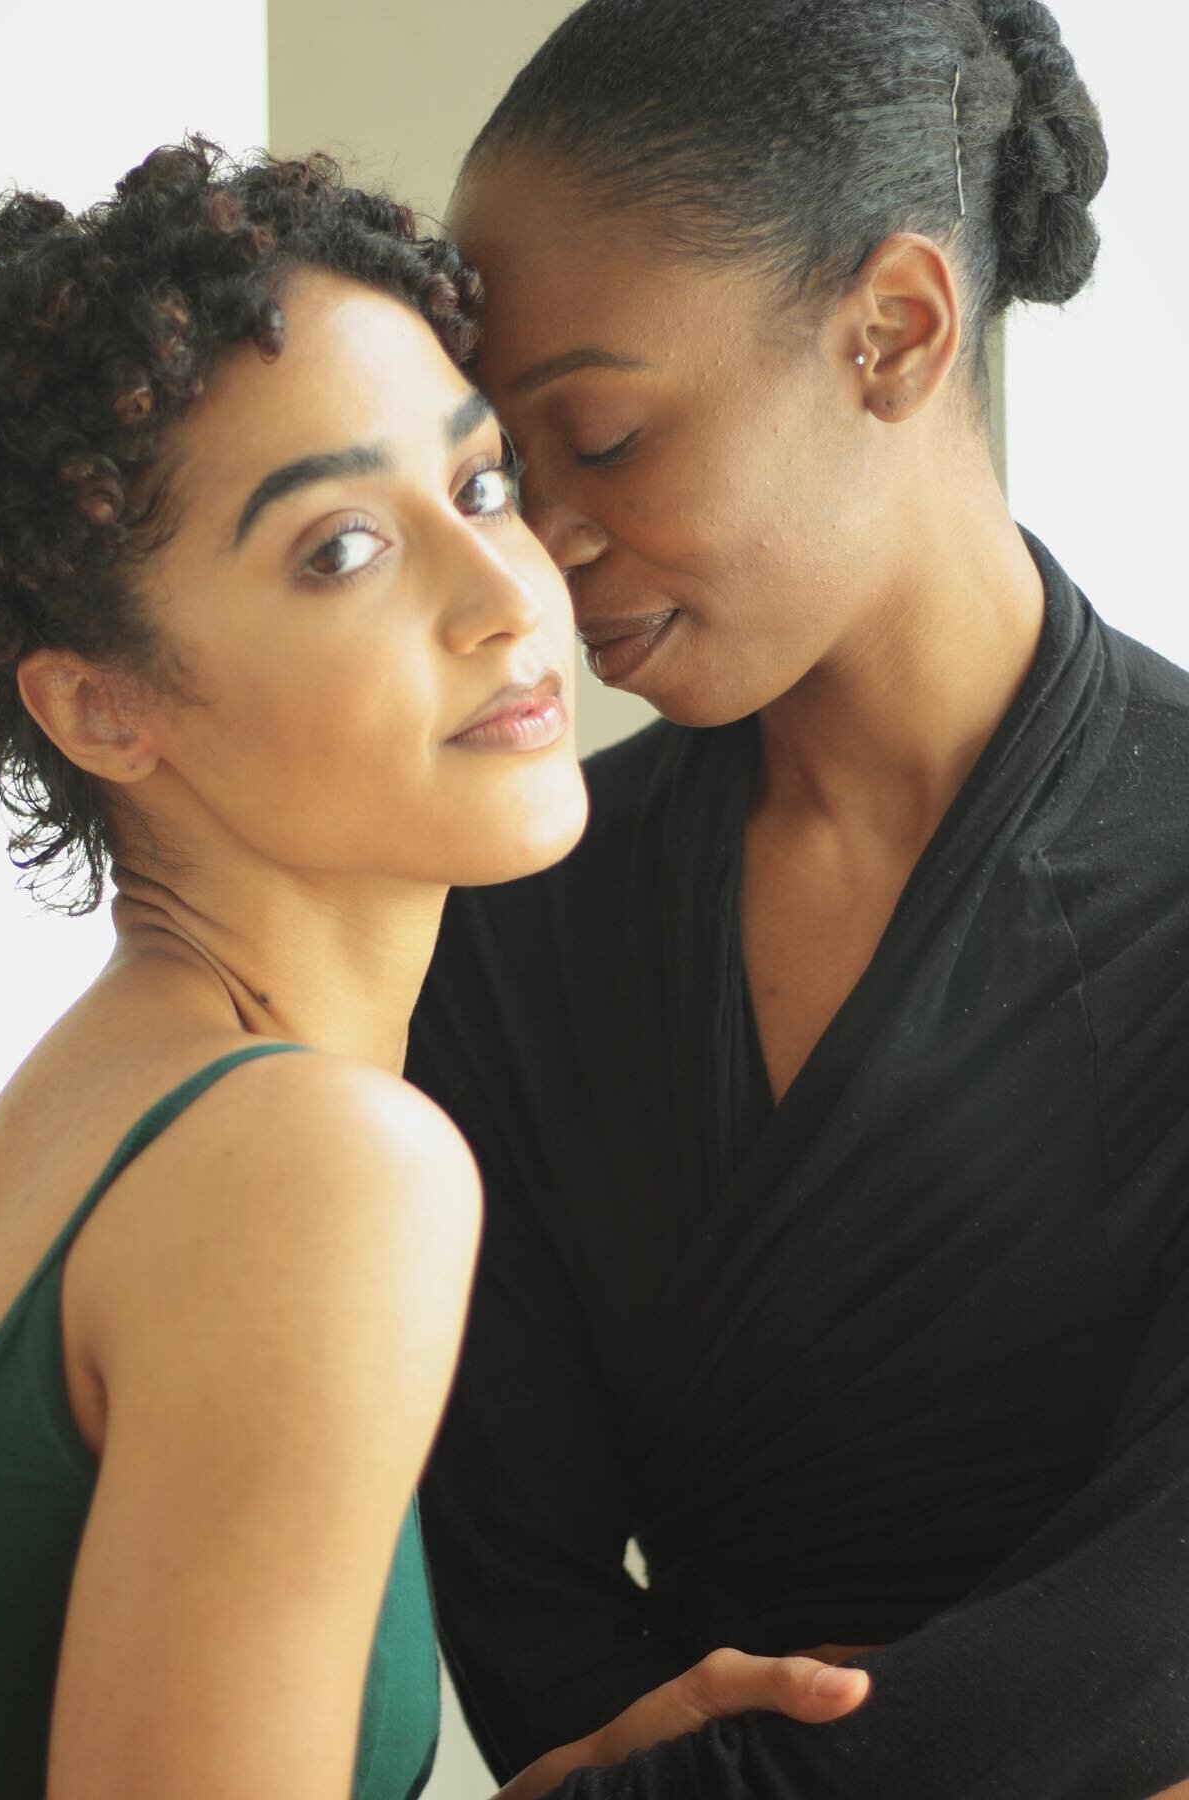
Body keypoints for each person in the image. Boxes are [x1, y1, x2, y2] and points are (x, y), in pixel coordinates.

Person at [0, 140, 868, 1799]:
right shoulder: (314, 1165)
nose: (507, 594)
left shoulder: (151, 1100)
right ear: (102, 707)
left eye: (479, 486)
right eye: (340, 548)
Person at [407, 1, 1189, 1795]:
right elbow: (519, 1603)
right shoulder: (510, 917)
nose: (544, 544)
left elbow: (1149, 1643)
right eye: (503, 471)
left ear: (893, 332)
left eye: (596, 440)